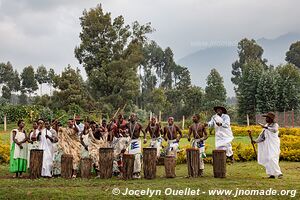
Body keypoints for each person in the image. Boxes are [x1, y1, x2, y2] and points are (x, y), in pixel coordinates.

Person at [250, 112, 283, 179]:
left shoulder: (275, 125)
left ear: (271, 119)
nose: (266, 119)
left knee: (272, 158)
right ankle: (271, 174)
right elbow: (262, 136)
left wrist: (266, 127)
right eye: (266, 118)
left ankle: (279, 173)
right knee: (268, 158)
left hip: (274, 144)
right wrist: (255, 141)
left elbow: (274, 130)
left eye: (267, 118)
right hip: (267, 144)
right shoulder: (266, 125)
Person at [124, 113, 145, 179]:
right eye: (131, 116)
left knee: (137, 156)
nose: (132, 117)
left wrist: (145, 138)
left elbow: (144, 132)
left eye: (134, 116)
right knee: (131, 156)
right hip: (131, 141)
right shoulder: (127, 124)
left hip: (137, 141)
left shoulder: (138, 125)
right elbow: (120, 127)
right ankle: (131, 171)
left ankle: (137, 172)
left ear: (136, 117)